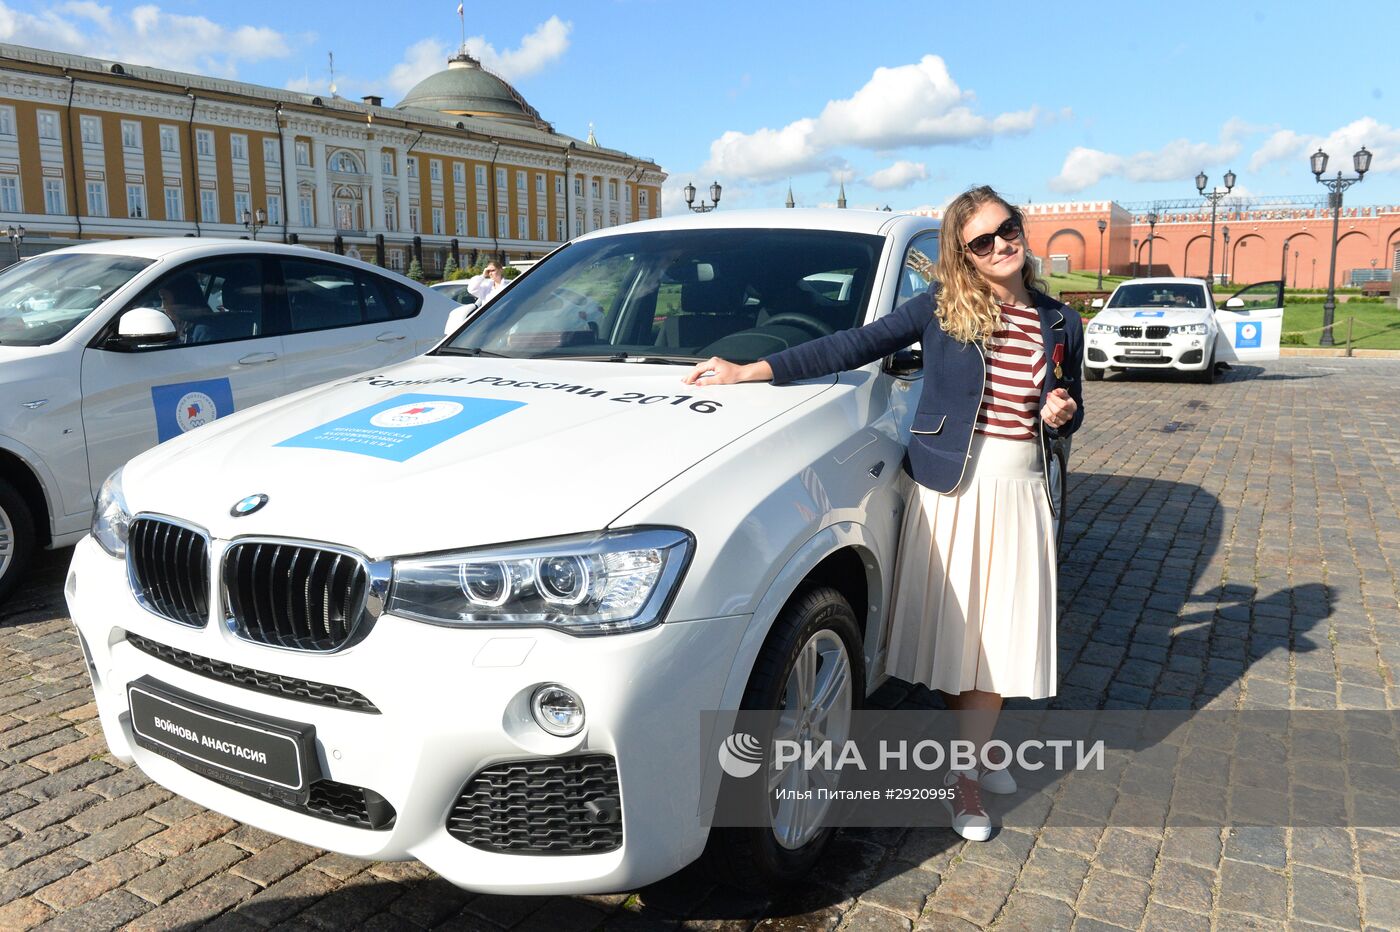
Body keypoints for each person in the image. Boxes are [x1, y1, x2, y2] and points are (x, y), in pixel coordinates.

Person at [683, 185, 1084, 841]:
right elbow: (848, 345)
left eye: (1006, 229)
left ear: (1020, 228)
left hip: (1018, 489)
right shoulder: (942, 310)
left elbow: (1071, 403)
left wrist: (1061, 412)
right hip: (952, 492)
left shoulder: (1061, 322)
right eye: (982, 240)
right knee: (966, 642)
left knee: (1000, 635)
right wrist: (750, 370)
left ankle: (972, 763)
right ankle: (972, 774)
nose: (1001, 245)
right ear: (964, 255)